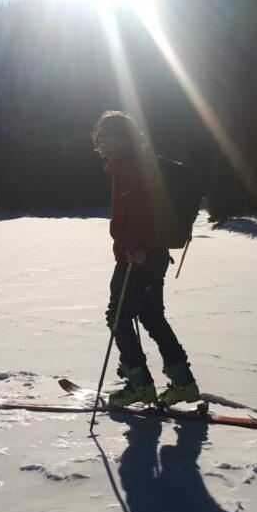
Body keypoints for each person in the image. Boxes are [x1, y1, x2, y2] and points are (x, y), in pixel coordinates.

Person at [91, 110, 199, 407]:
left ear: (122, 137)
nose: (101, 141)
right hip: (151, 254)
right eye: (100, 136)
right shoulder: (138, 161)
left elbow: (151, 210)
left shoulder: (129, 166)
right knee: (151, 317)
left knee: (118, 317)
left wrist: (140, 246)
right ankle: (183, 384)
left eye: (107, 135)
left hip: (137, 256)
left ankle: (139, 384)